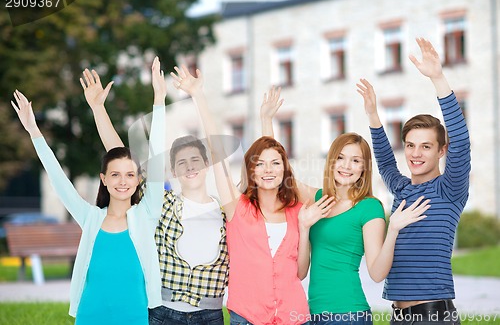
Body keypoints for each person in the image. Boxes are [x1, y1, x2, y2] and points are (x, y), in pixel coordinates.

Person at [170, 65, 336, 325]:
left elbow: (301, 272)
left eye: (275, 164)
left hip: (294, 317)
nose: (268, 170)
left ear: (285, 169)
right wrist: (198, 95)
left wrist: (304, 229)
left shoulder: (297, 211)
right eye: (259, 164)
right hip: (246, 317)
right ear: (251, 171)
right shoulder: (237, 208)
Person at [10, 57, 166, 325]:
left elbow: (158, 156)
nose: (123, 181)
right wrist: (34, 131)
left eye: (130, 175)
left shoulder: (147, 214)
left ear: (139, 180)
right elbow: (60, 181)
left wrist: (159, 101)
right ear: (103, 179)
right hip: (90, 314)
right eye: (115, 174)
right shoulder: (91, 217)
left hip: (134, 315)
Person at [81, 65, 229, 324]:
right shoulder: (162, 204)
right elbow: (119, 155)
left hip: (211, 314)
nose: (190, 166)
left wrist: (198, 95)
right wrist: (98, 109)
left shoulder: (226, 210)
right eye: (182, 162)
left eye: (196, 160)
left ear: (207, 164)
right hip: (163, 313)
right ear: (173, 170)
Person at [261, 99, 430, 325]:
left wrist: (394, 230)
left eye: (355, 161)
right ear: (331, 161)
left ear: (363, 168)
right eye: (340, 158)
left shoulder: (369, 207)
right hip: (312, 313)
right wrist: (266, 120)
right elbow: (280, 171)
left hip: (349, 315)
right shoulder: (317, 199)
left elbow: (377, 273)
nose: (346, 166)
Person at [358, 37, 471, 324]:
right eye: (410, 145)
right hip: (399, 316)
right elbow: (383, 160)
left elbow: (461, 140)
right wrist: (372, 114)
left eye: (426, 146)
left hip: (433, 315)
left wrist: (438, 78)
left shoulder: (450, 188)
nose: (416, 154)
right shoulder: (401, 189)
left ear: (441, 150)